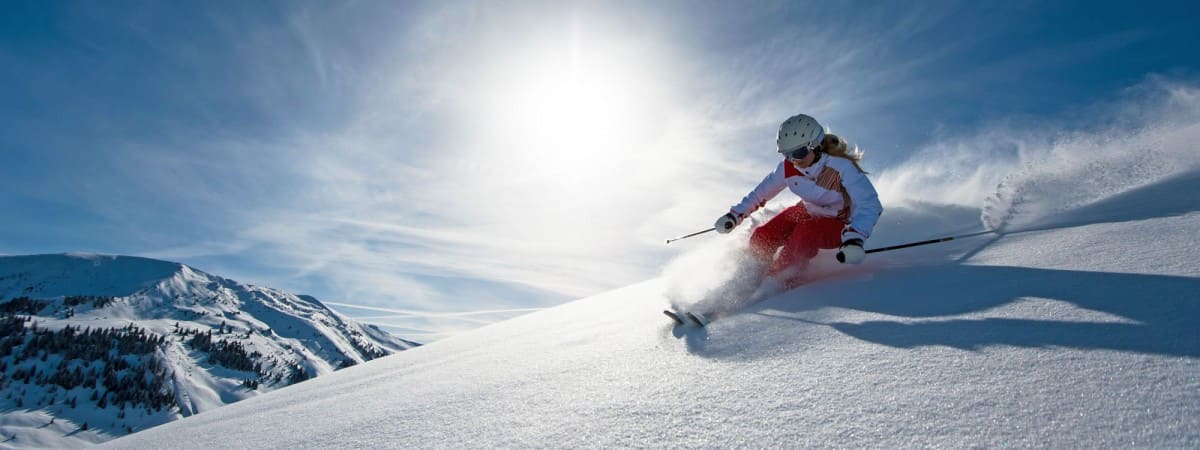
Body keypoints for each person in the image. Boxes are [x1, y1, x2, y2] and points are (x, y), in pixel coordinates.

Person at [714, 113, 883, 289]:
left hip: (839, 221)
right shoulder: (788, 167)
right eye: (787, 154)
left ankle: (775, 286)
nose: (793, 160)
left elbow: (870, 204)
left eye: (798, 153)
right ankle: (747, 282)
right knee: (763, 236)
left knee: (803, 235)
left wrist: (855, 238)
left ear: (815, 146)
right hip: (808, 210)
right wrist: (735, 215)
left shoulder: (840, 167)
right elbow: (760, 194)